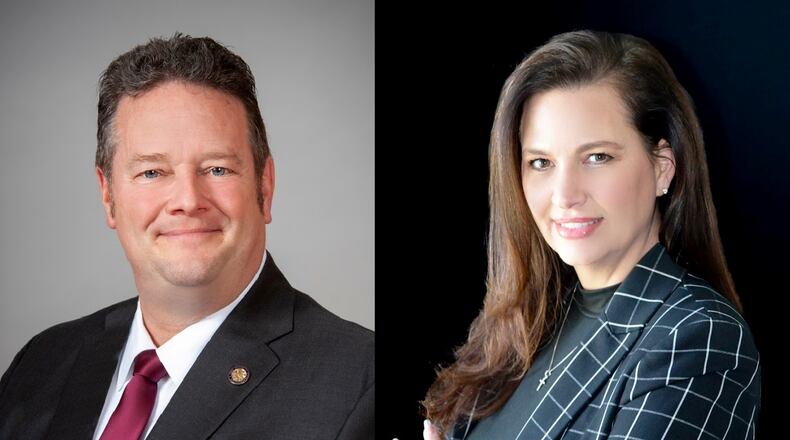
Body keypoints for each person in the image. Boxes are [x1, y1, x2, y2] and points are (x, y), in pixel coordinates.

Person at [0, 33, 373, 440]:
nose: (187, 200)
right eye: (151, 172)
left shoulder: (360, 383)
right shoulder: (41, 363)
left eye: (217, 169)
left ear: (264, 187)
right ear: (108, 196)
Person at [421, 30, 760, 439]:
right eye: (541, 162)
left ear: (662, 167)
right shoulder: (531, 317)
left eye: (597, 157)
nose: (565, 195)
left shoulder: (698, 339)